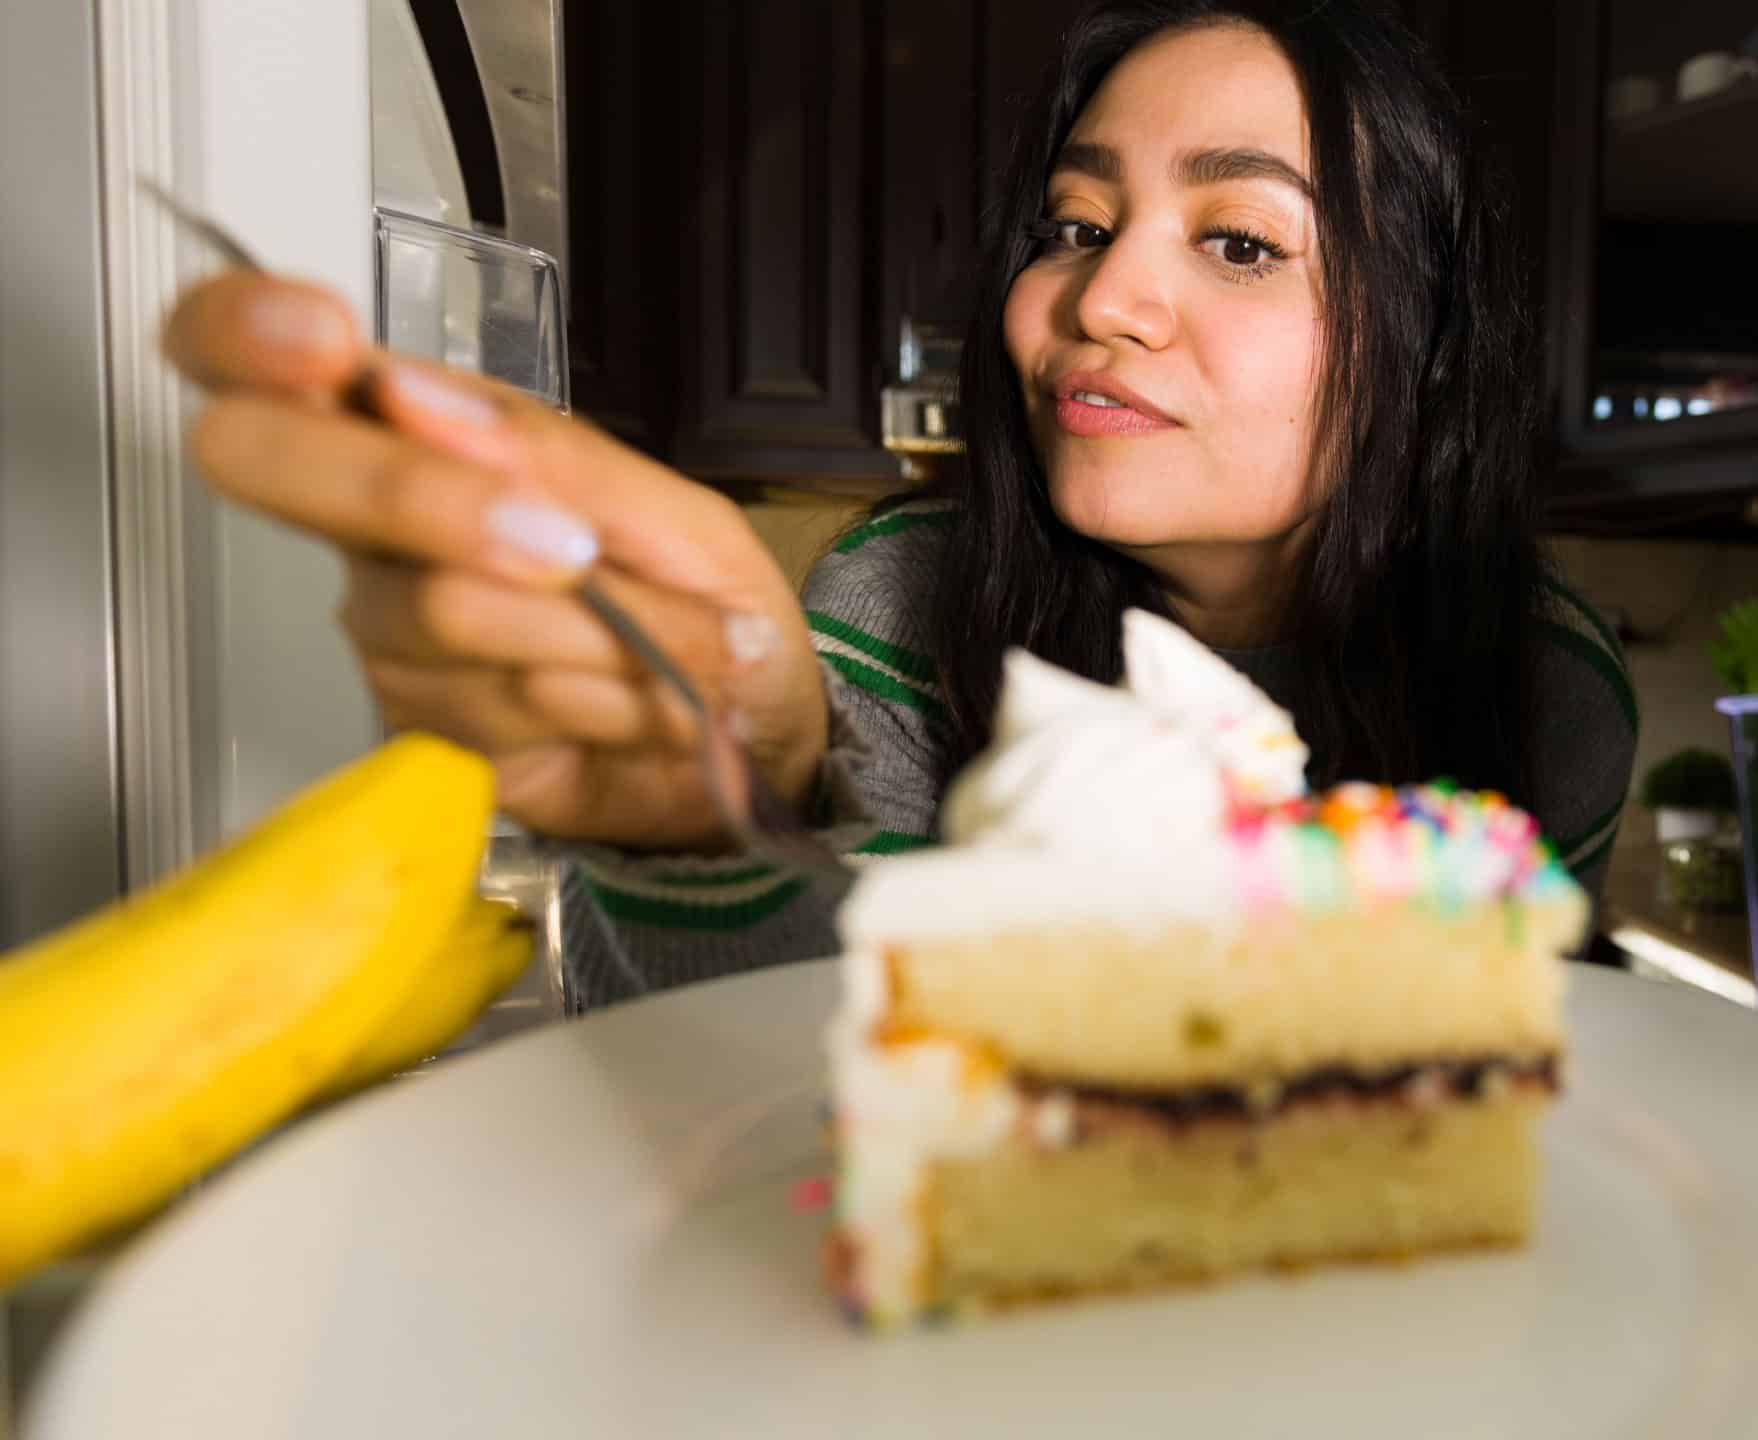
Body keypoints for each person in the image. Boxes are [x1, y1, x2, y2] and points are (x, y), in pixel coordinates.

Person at [163, 0, 1638, 1008]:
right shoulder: (890, 608)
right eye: (1073, 223)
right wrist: (716, 825)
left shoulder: (1545, 680)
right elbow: (777, 1089)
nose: (1101, 295)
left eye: (1242, 243)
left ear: (1432, 346)